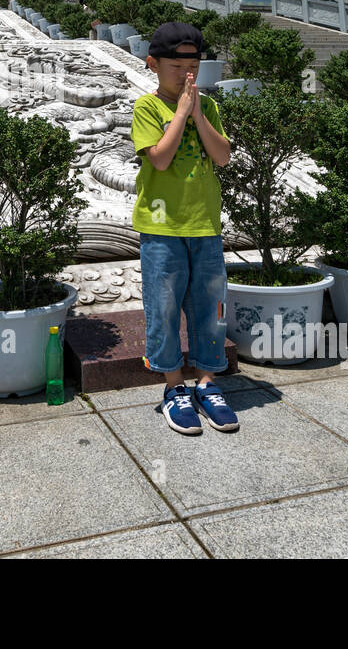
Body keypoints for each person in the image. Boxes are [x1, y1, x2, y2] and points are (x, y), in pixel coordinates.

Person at [130, 22, 238, 436]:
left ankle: (208, 384)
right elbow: (158, 158)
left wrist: (196, 112)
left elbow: (223, 156)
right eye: (177, 66)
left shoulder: (207, 106)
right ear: (153, 64)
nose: (186, 74)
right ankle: (174, 387)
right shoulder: (147, 108)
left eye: (193, 65)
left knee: (213, 308)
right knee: (163, 308)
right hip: (161, 227)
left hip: (205, 223)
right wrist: (179, 114)